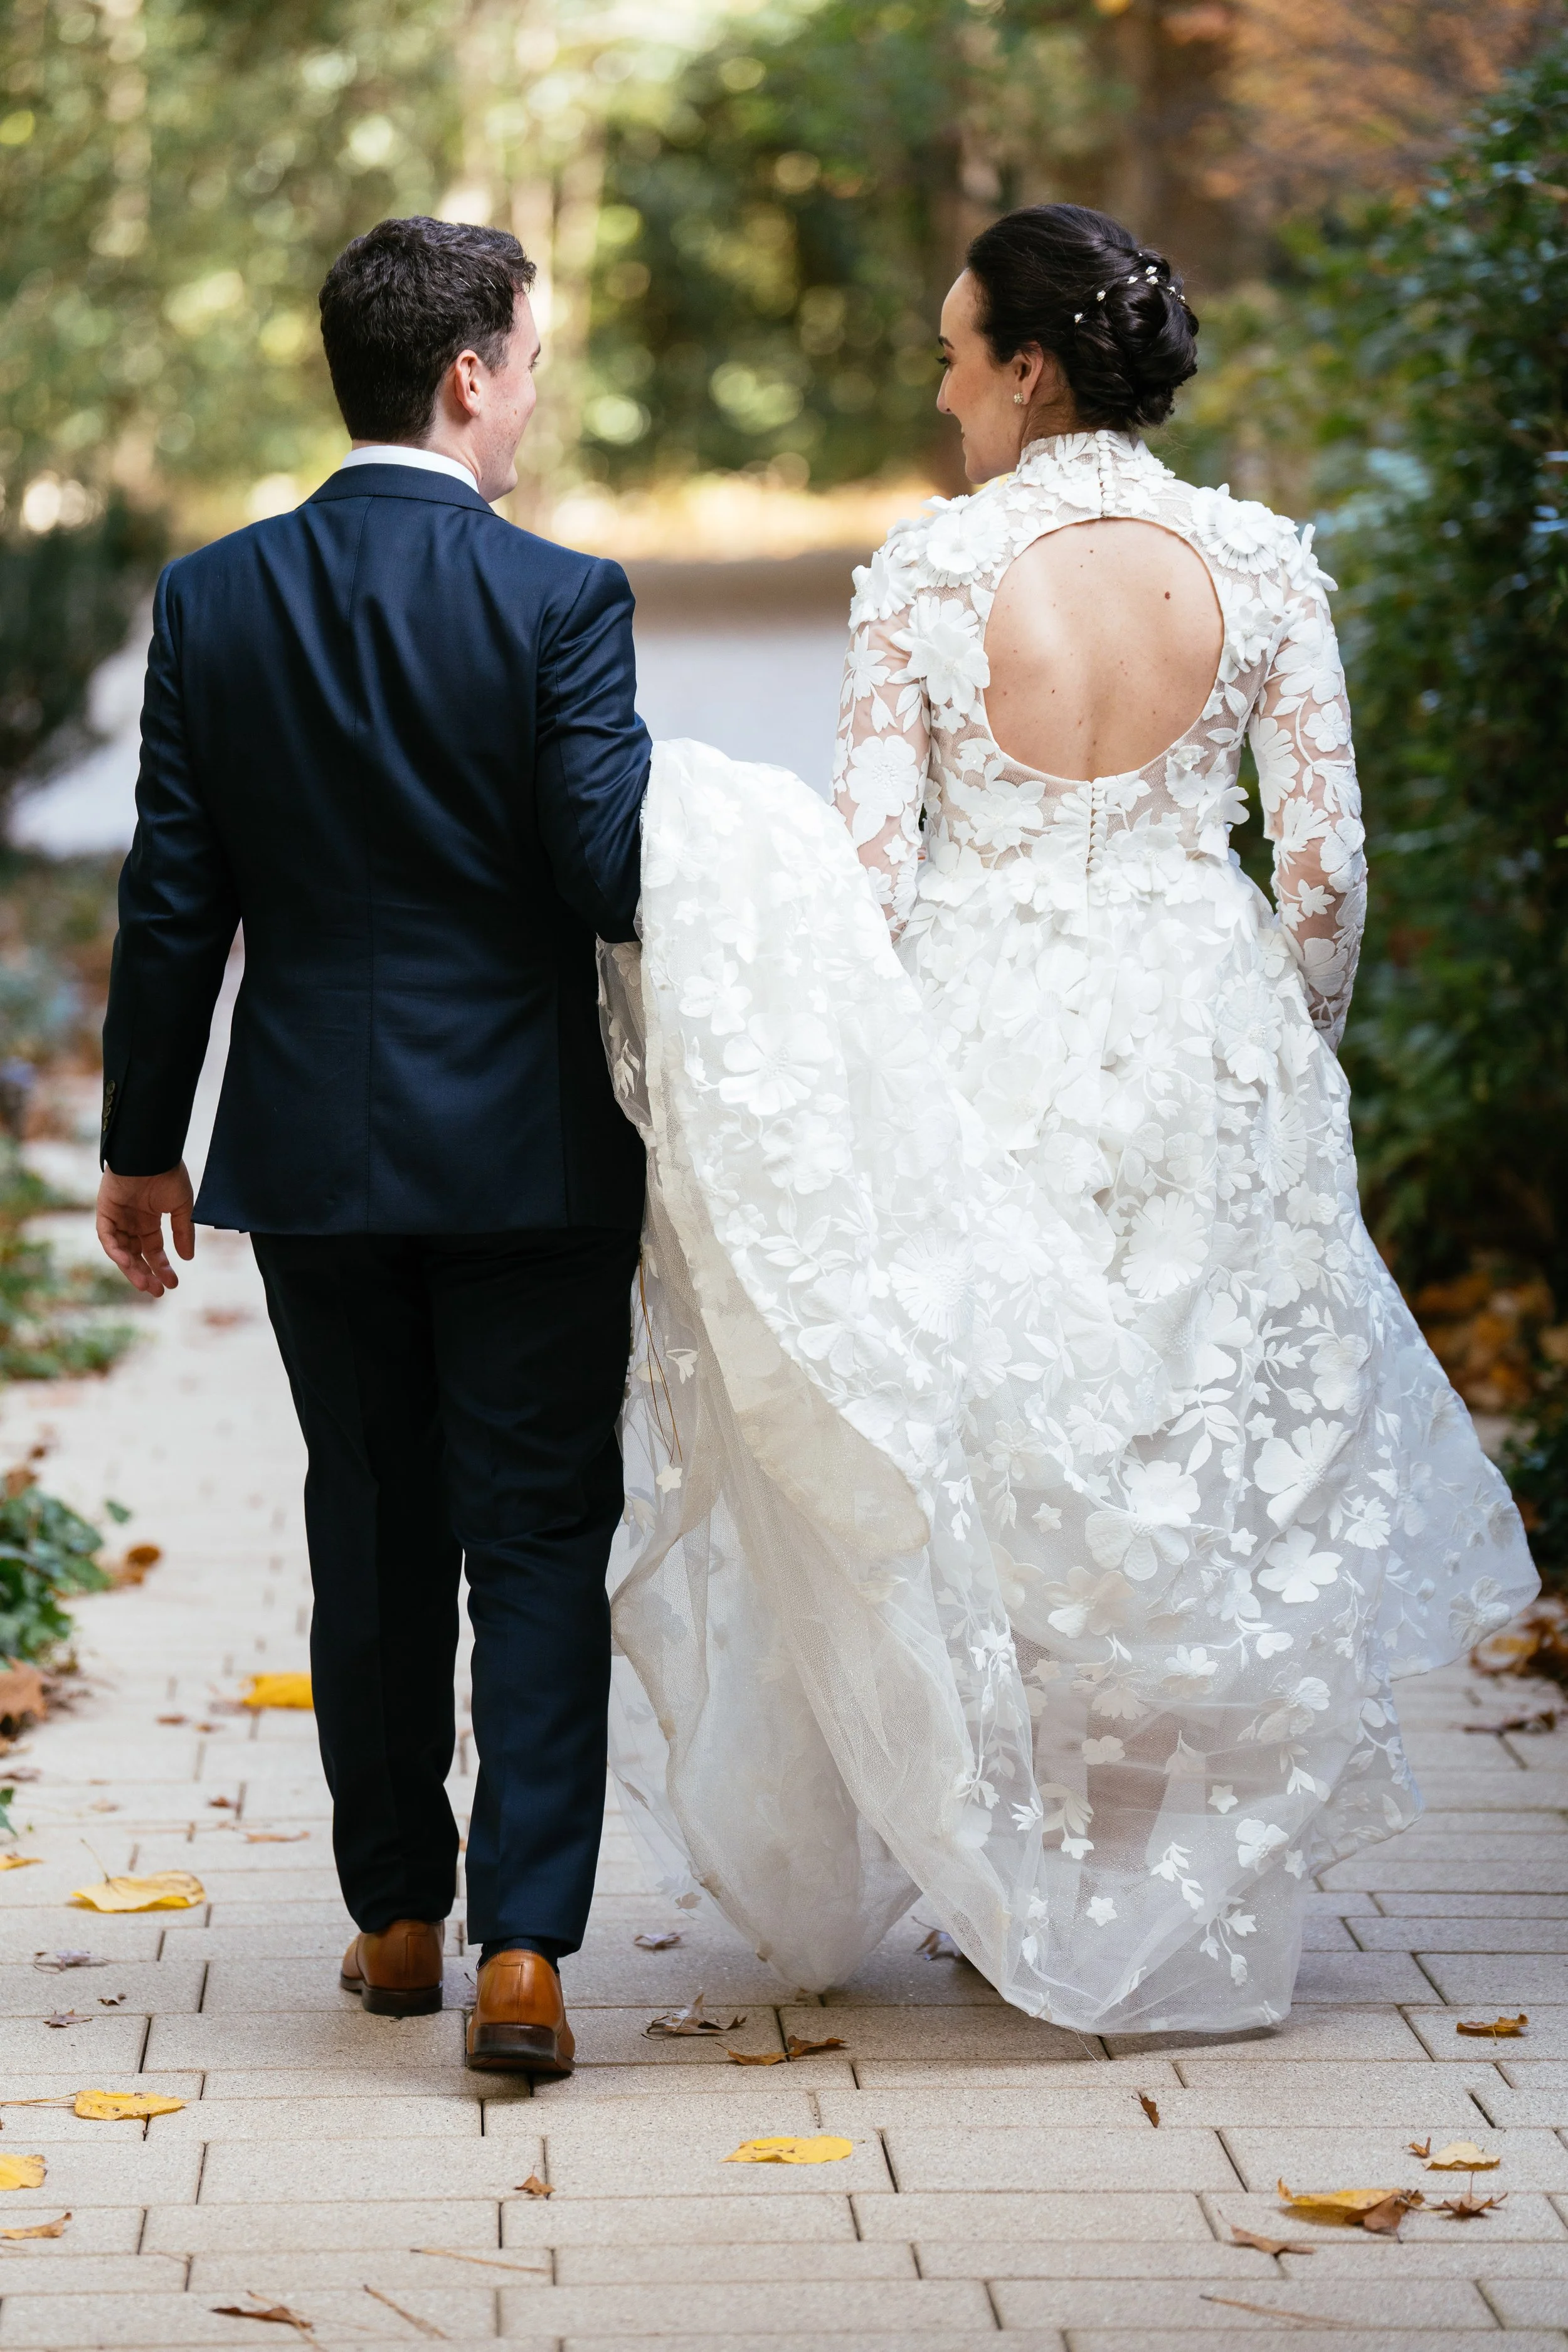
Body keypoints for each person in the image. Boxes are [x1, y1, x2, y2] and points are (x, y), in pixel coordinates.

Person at [601, 203, 1538, 2031]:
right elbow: (1326, 871)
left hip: (984, 1032)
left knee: (1011, 1436)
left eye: (955, 355)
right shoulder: (1262, 563)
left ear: (1027, 369)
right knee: (1200, 1434)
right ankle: (1174, 1860)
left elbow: (868, 879)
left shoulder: (931, 579)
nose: (942, 389)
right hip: (1207, 1026)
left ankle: (1020, 1862)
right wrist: (1287, 1038)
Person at [94, 216, 651, 2075]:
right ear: (467, 374)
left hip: (312, 1149)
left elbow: (176, 895)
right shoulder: (562, 601)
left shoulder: (216, 597)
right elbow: (605, 871)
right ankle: (529, 1951)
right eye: (531, 360)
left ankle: (398, 1913)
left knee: (373, 1519)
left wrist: (137, 1144)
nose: (534, 396)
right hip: (530, 1149)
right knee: (541, 1528)